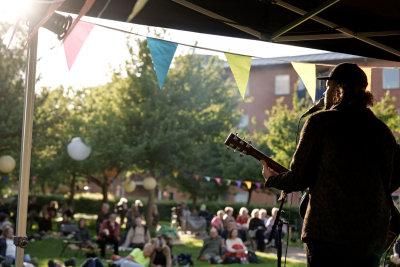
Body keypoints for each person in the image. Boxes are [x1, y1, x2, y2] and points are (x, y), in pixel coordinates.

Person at [261, 63, 400, 267]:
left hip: (329, 236)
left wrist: (272, 179)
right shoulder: (382, 131)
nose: (324, 93)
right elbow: (394, 175)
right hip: (372, 237)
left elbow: (300, 177)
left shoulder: (321, 122)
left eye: (327, 87)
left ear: (338, 90)